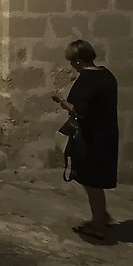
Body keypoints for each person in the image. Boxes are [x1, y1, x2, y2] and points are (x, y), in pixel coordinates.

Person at [54, 38, 120, 242]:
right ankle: (101, 215)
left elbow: (80, 111)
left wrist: (62, 102)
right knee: (93, 181)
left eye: (72, 62)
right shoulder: (107, 76)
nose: (71, 66)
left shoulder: (86, 81)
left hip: (91, 138)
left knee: (92, 183)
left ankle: (98, 225)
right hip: (107, 134)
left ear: (78, 61)